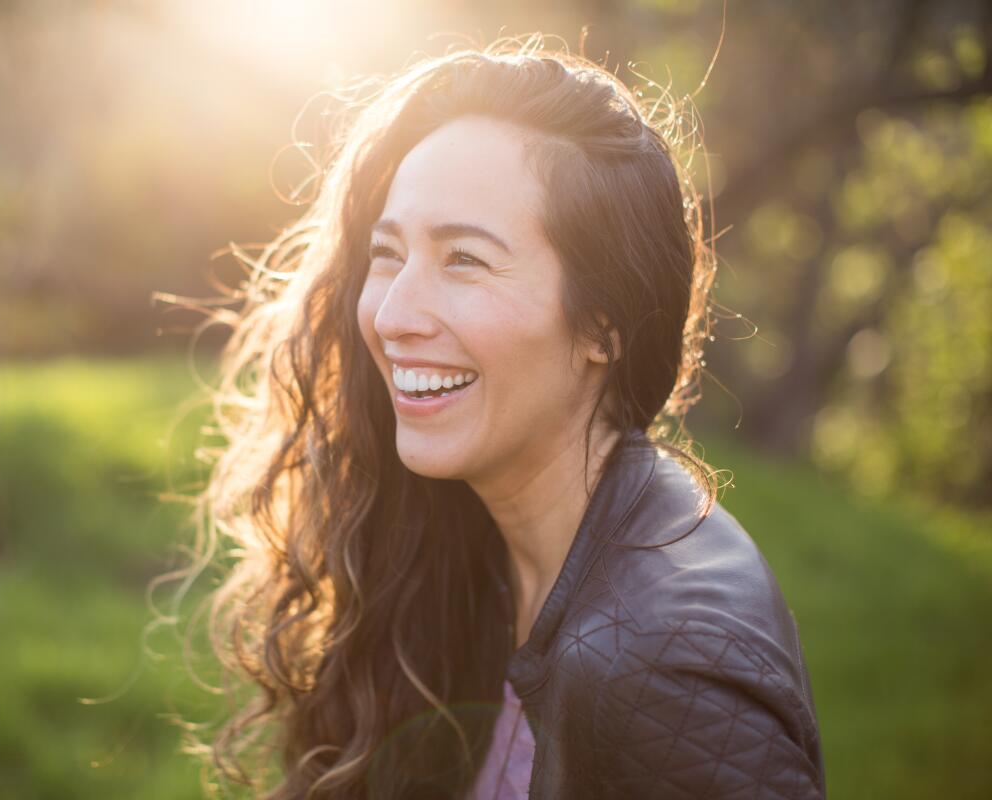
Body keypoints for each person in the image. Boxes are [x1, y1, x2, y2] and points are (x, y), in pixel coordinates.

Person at [168, 36, 826, 799]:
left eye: (465, 261)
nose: (392, 315)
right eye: (388, 254)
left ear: (602, 325)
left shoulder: (666, 667)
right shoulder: (468, 540)